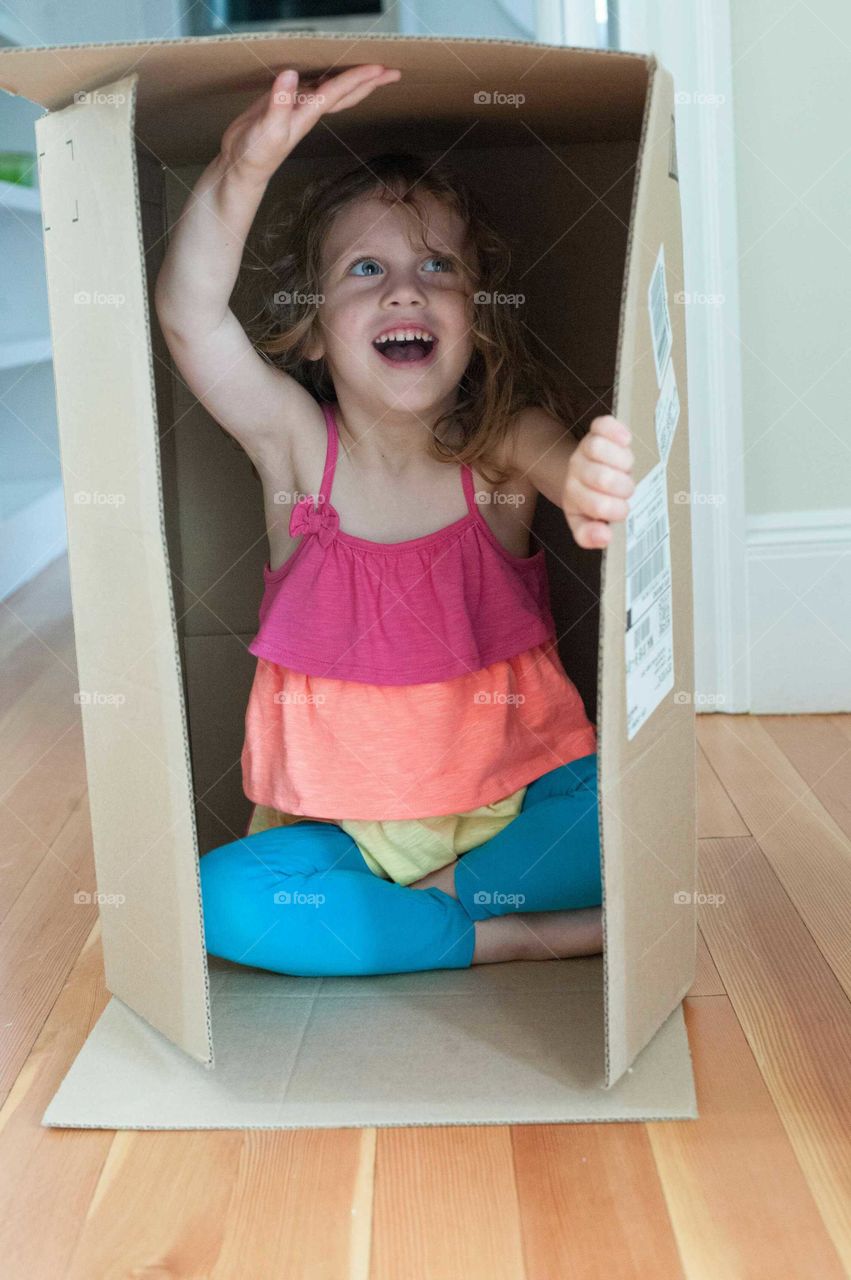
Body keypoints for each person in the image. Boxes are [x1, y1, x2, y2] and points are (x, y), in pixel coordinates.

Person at [154, 64, 635, 978]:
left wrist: (597, 482)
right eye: (365, 269)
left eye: (437, 267)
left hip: (515, 810)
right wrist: (241, 168)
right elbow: (189, 316)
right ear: (309, 330)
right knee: (221, 900)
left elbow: (570, 472)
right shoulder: (296, 451)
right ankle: (504, 937)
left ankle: (438, 912)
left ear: (477, 319)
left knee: (632, 809)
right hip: (347, 836)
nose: (405, 291)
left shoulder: (498, 444)